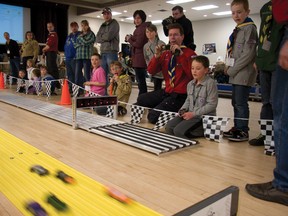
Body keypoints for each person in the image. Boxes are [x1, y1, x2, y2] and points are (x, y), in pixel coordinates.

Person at [245, 0, 288, 206]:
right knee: (272, 107)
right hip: (269, 56)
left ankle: (283, 184)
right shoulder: (266, 10)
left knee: (283, 115)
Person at [136, 23, 197, 124]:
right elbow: (151, 71)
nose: (172, 38)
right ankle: (162, 107)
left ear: (182, 36)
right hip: (167, 92)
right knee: (141, 99)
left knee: (152, 117)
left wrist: (181, 56)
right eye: (170, 35)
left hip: (180, 95)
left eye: (176, 34)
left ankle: (175, 113)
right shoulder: (166, 53)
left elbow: (192, 76)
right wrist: (156, 56)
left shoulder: (190, 54)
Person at [248, 0, 284, 146]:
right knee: (266, 102)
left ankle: (279, 136)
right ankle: (266, 135)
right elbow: (264, 34)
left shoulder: (283, 5)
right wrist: (259, 57)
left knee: (277, 103)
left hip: (278, 61)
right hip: (264, 61)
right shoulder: (266, 7)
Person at [223, 0, 258, 142]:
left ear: (247, 12)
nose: (236, 15)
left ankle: (243, 130)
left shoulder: (249, 28)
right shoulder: (239, 29)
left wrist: (232, 70)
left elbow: (248, 54)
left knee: (240, 102)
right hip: (236, 72)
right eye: (233, 12)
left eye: (239, 12)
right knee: (235, 102)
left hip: (243, 72)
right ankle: (237, 127)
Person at [165, 56, 218, 139]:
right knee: (169, 127)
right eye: (192, 68)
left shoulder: (210, 84)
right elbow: (188, 100)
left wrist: (194, 114)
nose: (194, 71)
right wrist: (182, 110)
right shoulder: (190, 84)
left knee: (178, 131)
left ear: (206, 70)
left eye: (198, 68)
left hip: (201, 117)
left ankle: (202, 131)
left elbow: (212, 104)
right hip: (189, 114)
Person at [125, 10, 150, 95]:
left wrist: (129, 39)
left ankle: (142, 100)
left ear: (142, 18)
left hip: (140, 58)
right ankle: (142, 99)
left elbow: (139, 44)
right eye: (135, 18)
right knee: (141, 81)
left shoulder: (141, 29)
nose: (137, 20)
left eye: (138, 18)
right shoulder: (140, 29)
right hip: (139, 58)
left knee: (141, 82)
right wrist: (132, 38)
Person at [96, 7, 120, 86]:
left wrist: (103, 37)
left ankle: (115, 93)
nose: (106, 16)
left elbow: (109, 36)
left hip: (111, 51)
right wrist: (104, 37)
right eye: (104, 14)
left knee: (114, 73)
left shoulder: (114, 23)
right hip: (103, 52)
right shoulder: (102, 25)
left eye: (108, 14)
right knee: (103, 74)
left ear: (111, 14)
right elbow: (97, 38)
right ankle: (105, 94)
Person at [74, 20, 96, 90]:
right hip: (79, 56)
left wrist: (81, 39)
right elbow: (75, 45)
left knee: (87, 75)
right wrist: (82, 41)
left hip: (87, 57)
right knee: (77, 74)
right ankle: (77, 91)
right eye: (82, 25)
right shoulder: (79, 34)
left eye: (85, 25)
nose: (83, 27)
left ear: (87, 25)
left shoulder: (91, 34)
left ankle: (88, 91)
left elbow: (87, 42)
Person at [143, 24, 165, 91]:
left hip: (161, 71)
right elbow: (146, 58)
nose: (149, 33)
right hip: (153, 70)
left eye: (151, 31)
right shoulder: (146, 46)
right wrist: (149, 66)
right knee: (156, 89)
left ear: (155, 32)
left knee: (160, 89)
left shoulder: (161, 43)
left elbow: (165, 58)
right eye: (147, 32)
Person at [64, 21, 81, 89]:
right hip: (68, 58)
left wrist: (76, 56)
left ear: (77, 27)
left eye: (75, 26)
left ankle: (79, 89)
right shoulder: (69, 36)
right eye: (72, 26)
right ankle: (71, 88)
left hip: (75, 58)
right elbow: (66, 46)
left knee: (77, 75)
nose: (73, 28)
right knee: (70, 75)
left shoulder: (80, 35)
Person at [42, 22, 59, 87]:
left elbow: (48, 46)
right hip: (49, 53)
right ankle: (53, 84)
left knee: (52, 69)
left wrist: (43, 50)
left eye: (50, 26)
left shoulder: (53, 35)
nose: (49, 28)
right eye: (48, 27)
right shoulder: (50, 35)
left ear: (53, 27)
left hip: (51, 53)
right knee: (50, 68)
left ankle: (55, 84)